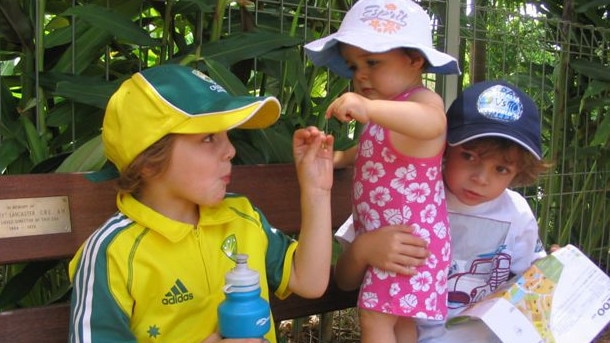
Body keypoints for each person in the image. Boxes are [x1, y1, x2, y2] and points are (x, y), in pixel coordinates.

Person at [67, 64, 335, 343]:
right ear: (148, 161)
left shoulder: (241, 216)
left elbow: (309, 281)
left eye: (227, 135)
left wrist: (316, 191)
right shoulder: (113, 253)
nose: (231, 150)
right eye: (209, 138)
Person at [334, 80, 551, 342]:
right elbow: (344, 281)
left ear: (518, 172)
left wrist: (555, 268)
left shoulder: (517, 214)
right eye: (469, 156)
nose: (480, 178)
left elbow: (532, 285)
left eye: (501, 169)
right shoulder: (409, 194)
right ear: (444, 148)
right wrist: (363, 248)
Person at [304, 0, 460, 341]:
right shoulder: (388, 114)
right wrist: (343, 158)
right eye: (353, 65)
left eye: (372, 62)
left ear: (415, 60)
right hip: (395, 241)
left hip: (408, 243)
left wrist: (370, 107)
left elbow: (434, 123)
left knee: (375, 316)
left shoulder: (421, 102)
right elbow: (380, 152)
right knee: (400, 322)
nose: (360, 74)